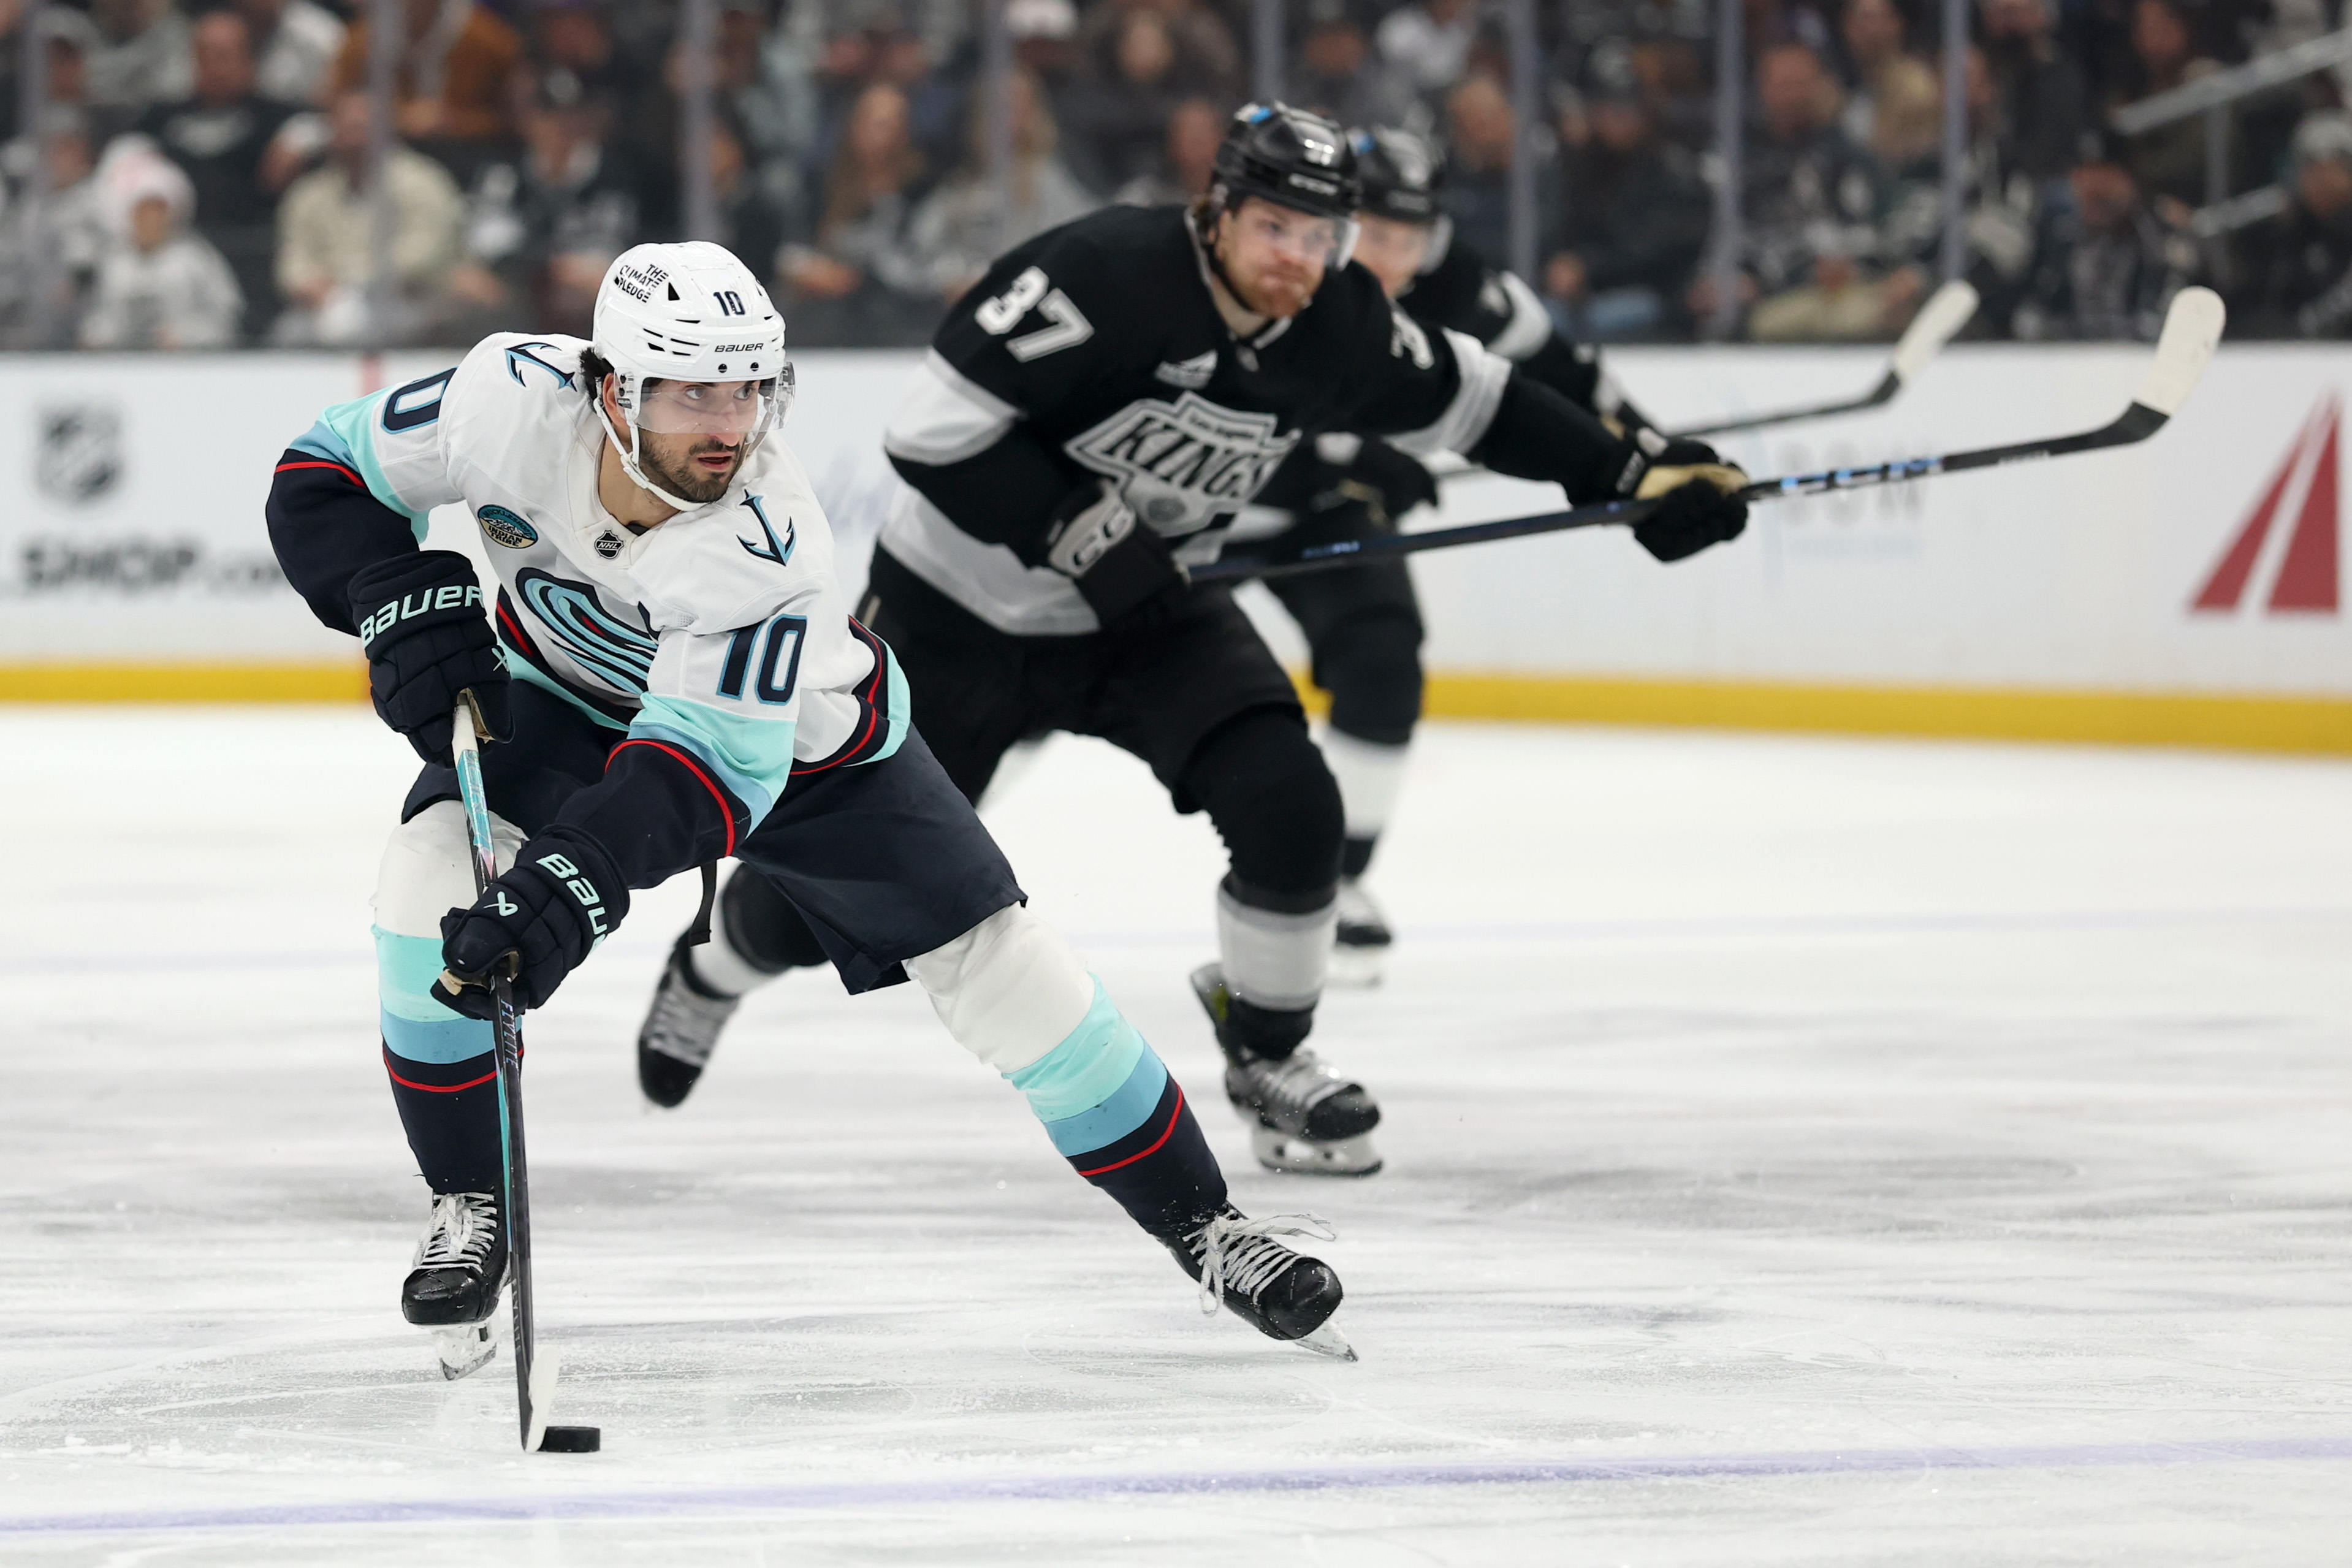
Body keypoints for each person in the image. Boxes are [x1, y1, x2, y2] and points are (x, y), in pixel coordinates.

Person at [262, 240, 1353, 1372]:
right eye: (691, 390)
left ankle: (1206, 1224)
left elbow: (698, 777)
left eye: (748, 387)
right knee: (426, 884)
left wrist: (569, 889)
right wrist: (385, 592)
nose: (727, 425)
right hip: (556, 698)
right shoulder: (508, 396)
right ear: (606, 387)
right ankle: (466, 1205)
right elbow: (324, 468)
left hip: (807, 748)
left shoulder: (763, 541)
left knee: (1002, 967)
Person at [631, 106, 1749, 1178]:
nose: (1295, 259)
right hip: (957, 612)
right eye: (1273, 227)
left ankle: (1270, 1055)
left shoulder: (1336, 320)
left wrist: (1626, 471)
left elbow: (1479, 398)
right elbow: (929, 435)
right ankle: (715, 965)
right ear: (1216, 211)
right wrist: (1081, 526)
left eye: (1319, 236)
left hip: (1145, 611)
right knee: (827, 897)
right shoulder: (1104, 271)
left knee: (1291, 804)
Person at [1247, 124, 1660, 983]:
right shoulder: (1276, 268)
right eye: (1377, 238)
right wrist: (1356, 453)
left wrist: (1659, 458)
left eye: (1414, 240)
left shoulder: (1471, 293)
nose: (1394, 261)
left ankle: (1338, 883)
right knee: (1058, 663)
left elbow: (1570, 381)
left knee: (1383, 654)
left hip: (1321, 514)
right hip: (1199, 501)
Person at [272, 87, 466, 346]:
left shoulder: (424, 182)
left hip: (411, 301)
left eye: (361, 127)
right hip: (326, 305)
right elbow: (293, 262)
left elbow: (425, 255)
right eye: (346, 127)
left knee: (377, 325)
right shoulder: (309, 194)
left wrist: (350, 280)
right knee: (289, 333)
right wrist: (319, 289)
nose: (354, 138)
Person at [77, 153, 243, 348]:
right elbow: (98, 317)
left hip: (188, 363)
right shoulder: (114, 262)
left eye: (157, 213)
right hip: (123, 364)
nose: (150, 222)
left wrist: (188, 336)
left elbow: (228, 315)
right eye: (143, 213)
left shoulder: (195, 259)